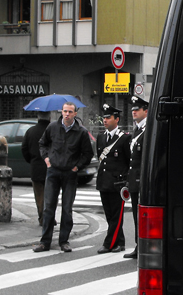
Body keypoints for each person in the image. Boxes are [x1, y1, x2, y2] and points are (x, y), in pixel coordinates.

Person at [34, 101, 93, 253]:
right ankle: (45, 242)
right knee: (48, 208)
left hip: (70, 174)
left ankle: (64, 241)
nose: (67, 114)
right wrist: (47, 159)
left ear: (75, 114)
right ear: (61, 112)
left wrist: (77, 167)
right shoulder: (52, 127)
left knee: (67, 209)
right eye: (65, 111)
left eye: (70, 112)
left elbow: (88, 154)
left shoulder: (81, 132)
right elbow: (42, 143)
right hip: (53, 171)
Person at [95, 103, 131, 254]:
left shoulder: (124, 138)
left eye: (108, 117)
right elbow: (100, 158)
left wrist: (126, 182)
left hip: (117, 183)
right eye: (104, 118)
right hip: (104, 182)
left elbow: (128, 161)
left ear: (116, 119)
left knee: (116, 215)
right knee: (109, 215)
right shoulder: (101, 137)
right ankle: (120, 242)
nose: (105, 120)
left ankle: (108, 243)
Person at [123, 95, 150, 259]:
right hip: (134, 179)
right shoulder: (137, 129)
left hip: (141, 180)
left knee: (142, 216)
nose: (133, 112)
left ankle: (143, 247)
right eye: (132, 109)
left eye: (137, 109)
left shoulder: (148, 129)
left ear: (146, 111)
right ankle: (138, 246)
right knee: (135, 215)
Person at [21, 111, 51, 225]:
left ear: (38, 117)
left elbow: (24, 148)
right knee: (51, 195)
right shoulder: (52, 130)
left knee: (39, 195)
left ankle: (42, 218)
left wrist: (31, 160)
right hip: (51, 167)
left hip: (36, 167)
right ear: (50, 117)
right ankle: (50, 217)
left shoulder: (30, 131)